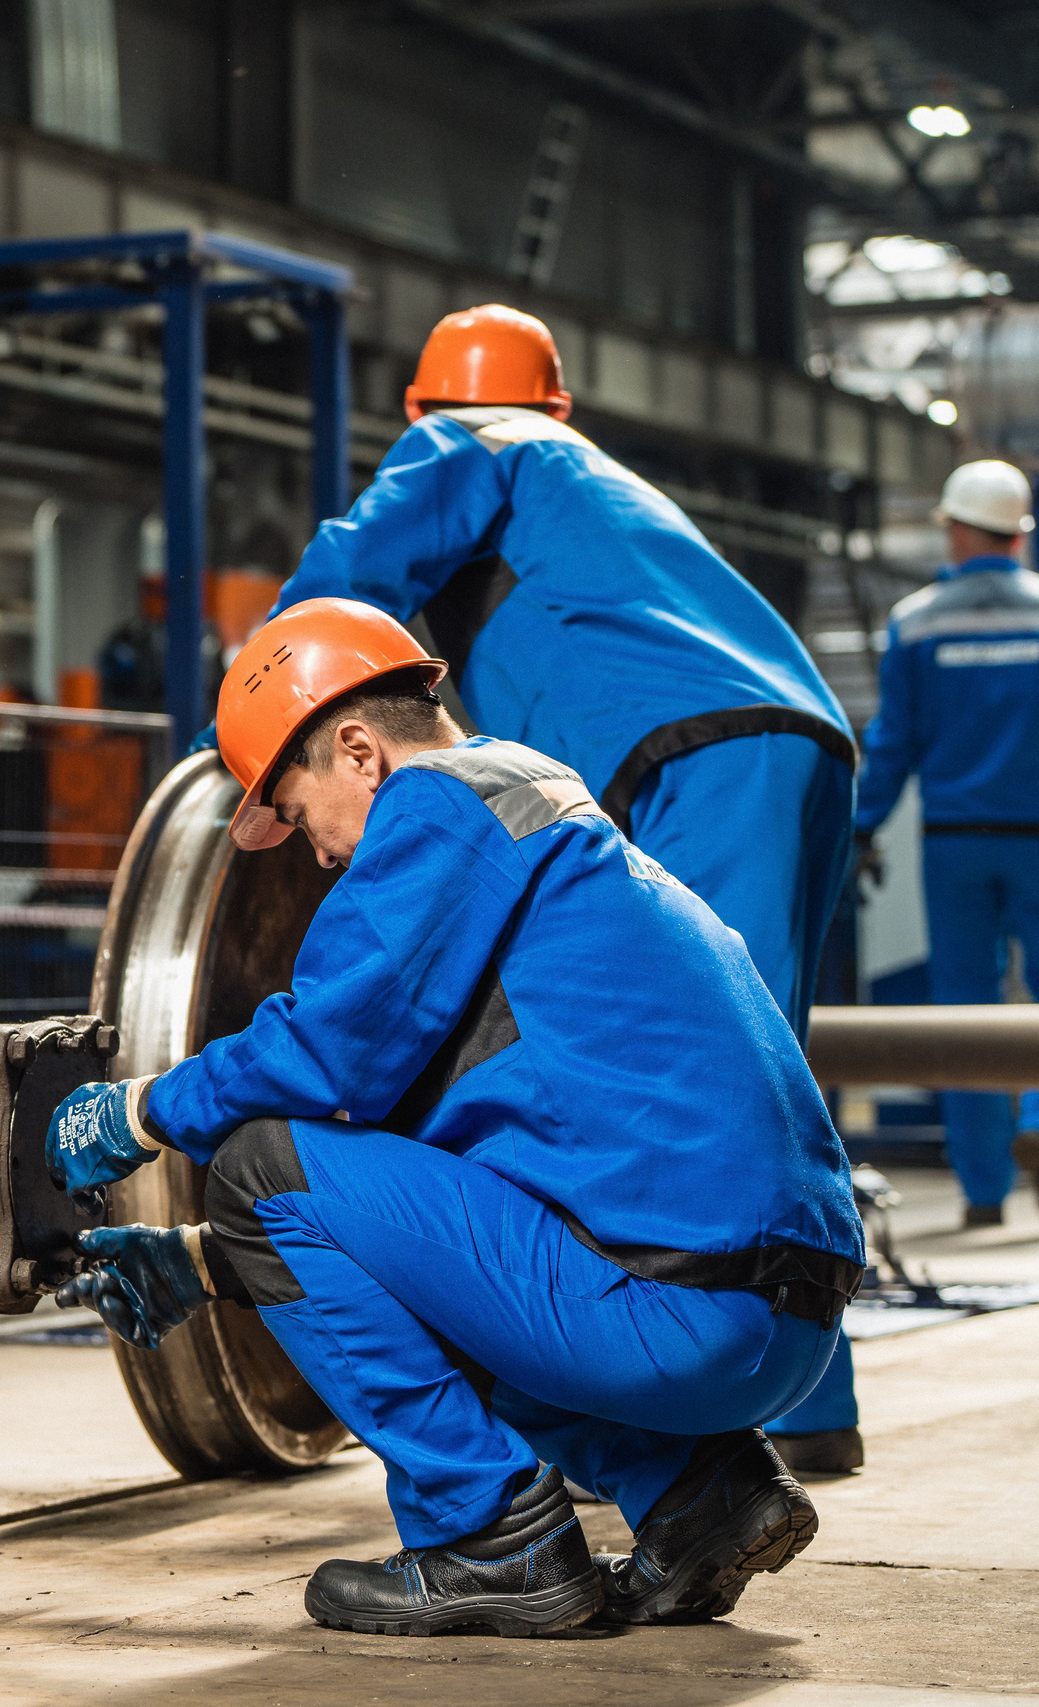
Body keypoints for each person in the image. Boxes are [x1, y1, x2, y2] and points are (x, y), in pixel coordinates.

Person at [53, 600, 861, 1639]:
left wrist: (140, 1109)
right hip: (776, 1318)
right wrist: (212, 1264)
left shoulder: (440, 810)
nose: (319, 858)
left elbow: (321, 1052)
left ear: (359, 752)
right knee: (305, 1205)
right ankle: (702, 1499)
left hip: (675, 1314)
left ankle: (490, 1541)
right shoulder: (540, 813)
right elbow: (436, 1211)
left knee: (256, 1167)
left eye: (300, 818)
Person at [226, 303, 866, 1473]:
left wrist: (267, 711)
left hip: (694, 753)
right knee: (753, 1069)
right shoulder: (592, 484)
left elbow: (346, 581)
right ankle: (806, 1417)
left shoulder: (471, 438)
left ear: (426, 403)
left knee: (700, 1094)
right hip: (794, 745)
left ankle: (697, 1425)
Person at [851, 458, 1039, 1229]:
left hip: (955, 843)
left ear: (960, 529)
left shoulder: (918, 620)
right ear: (1018, 534)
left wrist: (860, 827)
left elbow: (894, 741)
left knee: (963, 1014)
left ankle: (985, 1193)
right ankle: (1034, 1131)